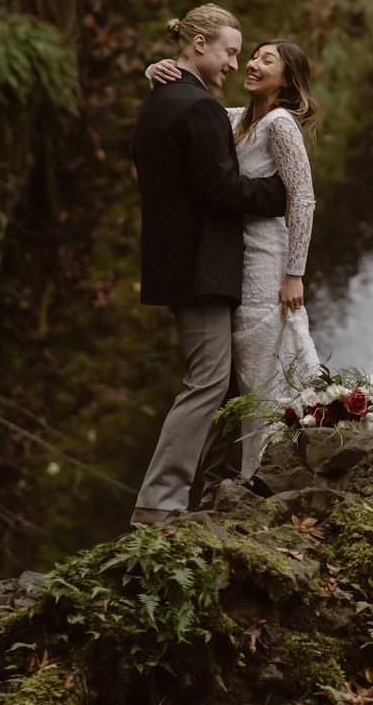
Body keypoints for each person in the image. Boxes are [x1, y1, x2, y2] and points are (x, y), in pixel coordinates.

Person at [130, 4, 287, 526]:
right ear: (198, 45)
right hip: (200, 266)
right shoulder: (195, 107)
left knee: (216, 382)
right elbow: (220, 187)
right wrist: (277, 193)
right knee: (207, 382)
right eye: (229, 51)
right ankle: (160, 501)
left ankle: (212, 488)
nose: (233, 63)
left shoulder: (161, 97)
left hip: (179, 262)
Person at [145, 37, 322, 480]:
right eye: (253, 56)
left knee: (263, 357)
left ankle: (264, 472)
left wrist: (294, 273)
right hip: (235, 253)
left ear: (287, 80)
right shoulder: (238, 119)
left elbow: (303, 198)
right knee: (244, 363)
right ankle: (251, 471)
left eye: (267, 60)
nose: (252, 64)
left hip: (267, 255)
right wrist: (154, 72)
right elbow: (187, 110)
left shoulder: (281, 123)